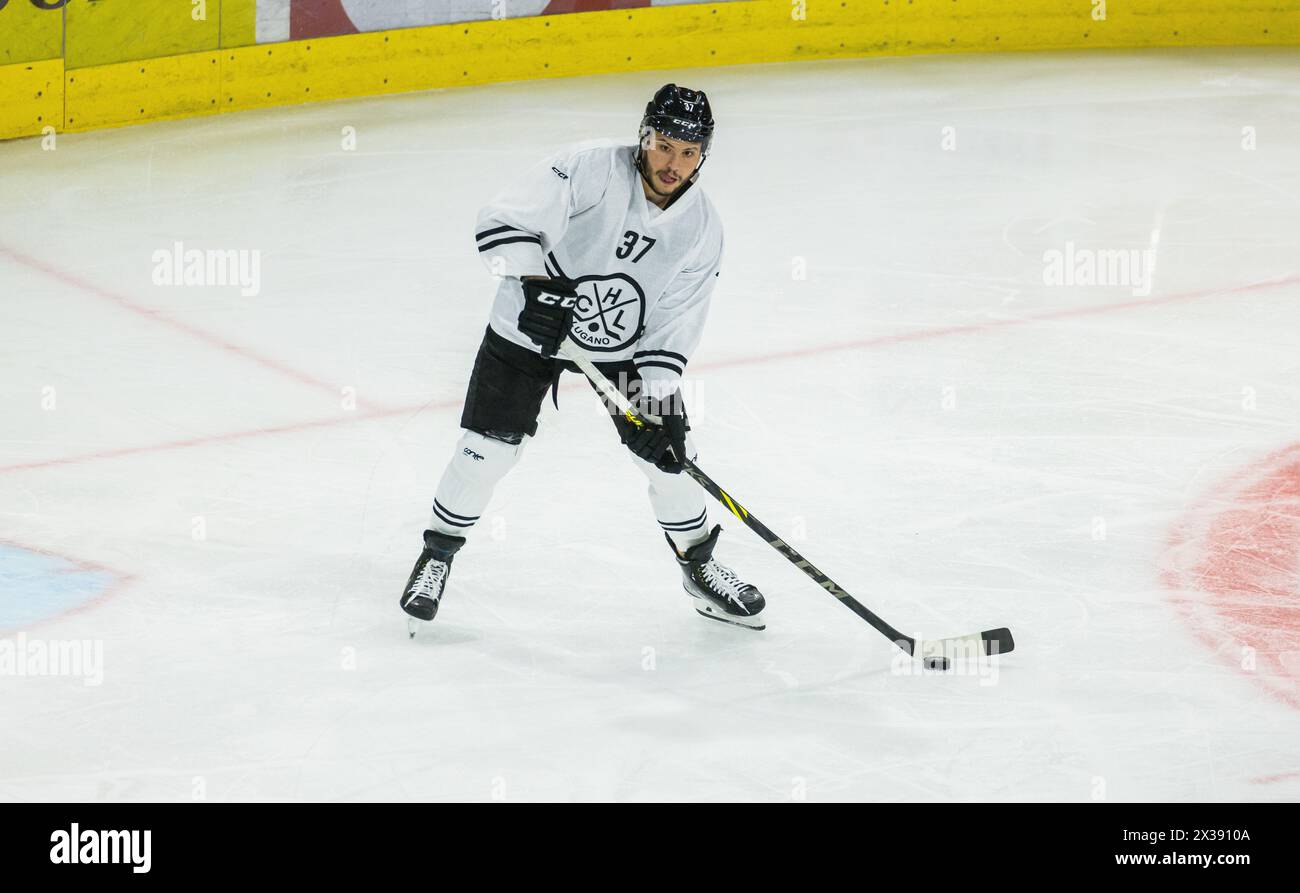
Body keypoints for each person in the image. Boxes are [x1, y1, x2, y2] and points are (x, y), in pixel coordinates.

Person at [401, 84, 765, 634]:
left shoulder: (702, 228)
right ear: (644, 137)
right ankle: (438, 553)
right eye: (665, 146)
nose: (674, 164)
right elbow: (502, 220)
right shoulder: (589, 167)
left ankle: (700, 567)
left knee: (672, 458)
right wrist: (536, 286)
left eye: (689, 152)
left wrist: (658, 398)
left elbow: (675, 322)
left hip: (624, 347)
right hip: (530, 328)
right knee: (485, 454)